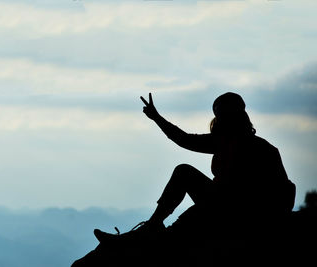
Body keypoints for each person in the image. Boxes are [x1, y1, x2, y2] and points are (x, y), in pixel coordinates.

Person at [94, 92, 296, 248]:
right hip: (227, 207)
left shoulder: (255, 148)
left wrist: (156, 117)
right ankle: (151, 228)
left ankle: (151, 228)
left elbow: (283, 192)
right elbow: (184, 139)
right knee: (184, 179)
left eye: (224, 116)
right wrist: (156, 117)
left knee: (184, 174)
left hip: (235, 213)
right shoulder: (233, 143)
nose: (221, 121)